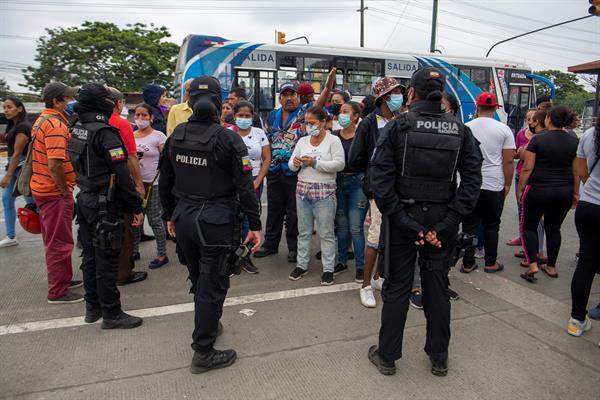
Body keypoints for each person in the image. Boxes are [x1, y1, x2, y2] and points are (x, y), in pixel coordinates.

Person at [367, 67, 482, 377]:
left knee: (398, 288)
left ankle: (388, 356)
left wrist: (406, 222)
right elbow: (473, 183)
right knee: (437, 288)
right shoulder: (461, 131)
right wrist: (447, 222)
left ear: (411, 94)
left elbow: (379, 180)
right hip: (441, 223)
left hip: (405, 222)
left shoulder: (397, 126)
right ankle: (439, 357)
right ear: (442, 93)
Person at [159, 76, 262, 374]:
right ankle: (203, 351)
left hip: (185, 220)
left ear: (189, 102)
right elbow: (245, 187)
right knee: (212, 285)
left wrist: (169, 216)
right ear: (219, 104)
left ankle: (209, 322)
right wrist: (255, 225)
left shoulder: (176, 134)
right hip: (215, 223)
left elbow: (165, 180)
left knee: (199, 279)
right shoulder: (228, 138)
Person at [70, 83, 145, 328]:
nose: (111, 102)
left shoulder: (78, 126)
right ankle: (112, 314)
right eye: (106, 98)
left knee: (89, 256)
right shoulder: (105, 132)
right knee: (106, 260)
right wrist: (136, 206)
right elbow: (122, 175)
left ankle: (93, 308)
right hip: (104, 203)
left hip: (85, 198)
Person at [254, 70, 336, 262]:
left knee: (293, 212)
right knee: (274, 209)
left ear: (298, 97)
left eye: (293, 95)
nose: (289, 98)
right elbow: (267, 141)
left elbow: (321, 102)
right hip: (274, 170)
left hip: (294, 170)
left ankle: (293, 248)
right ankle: (270, 244)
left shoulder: (304, 113)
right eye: (285, 95)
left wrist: (328, 85)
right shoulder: (272, 115)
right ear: (280, 98)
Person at [348, 76, 404, 308]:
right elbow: (355, 156)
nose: (399, 97)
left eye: (400, 92)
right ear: (383, 97)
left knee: (389, 235)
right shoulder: (369, 123)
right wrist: (371, 175)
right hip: (379, 189)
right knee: (375, 235)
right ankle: (365, 285)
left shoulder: (401, 120)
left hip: (398, 187)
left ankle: (378, 277)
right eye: (395, 93)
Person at [31, 82, 82, 304]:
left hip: (43, 188)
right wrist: (64, 191)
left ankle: (62, 278)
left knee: (55, 239)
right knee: (59, 242)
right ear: (56, 101)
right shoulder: (55, 125)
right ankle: (58, 290)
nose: (70, 103)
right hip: (53, 192)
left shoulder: (43, 119)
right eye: (67, 99)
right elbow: (55, 165)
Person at [517, 106, 579, 283]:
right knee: (554, 228)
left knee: (529, 226)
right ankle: (551, 266)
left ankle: (533, 264)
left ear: (548, 119)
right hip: (564, 191)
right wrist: (575, 193)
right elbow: (576, 171)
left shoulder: (538, 140)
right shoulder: (573, 141)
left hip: (538, 189)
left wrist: (521, 189)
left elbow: (527, 168)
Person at [288, 106, 345, 285]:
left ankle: (328, 269)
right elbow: (291, 164)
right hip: (303, 191)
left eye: (312, 123)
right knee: (303, 231)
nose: (308, 126)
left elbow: (339, 164)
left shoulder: (333, 141)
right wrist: (296, 163)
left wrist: (315, 163)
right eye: (306, 123)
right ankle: (301, 265)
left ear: (322, 123)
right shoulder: (302, 141)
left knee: (326, 232)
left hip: (325, 192)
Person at [461, 92, 515, 274]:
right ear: (495, 108)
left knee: (469, 225)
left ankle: (468, 263)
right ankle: (491, 263)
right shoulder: (504, 129)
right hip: (494, 183)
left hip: (470, 184)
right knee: (492, 224)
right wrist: (507, 184)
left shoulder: (465, 127)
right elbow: (508, 161)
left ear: (477, 107)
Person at [106, 87, 148, 286]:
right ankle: (124, 273)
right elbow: (131, 157)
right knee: (125, 231)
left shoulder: (86, 123)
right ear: (118, 103)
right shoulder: (121, 124)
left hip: (97, 188)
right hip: (120, 185)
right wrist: (138, 185)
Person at [229, 100, 271, 273]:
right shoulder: (227, 133)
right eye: (240, 115)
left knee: (249, 218)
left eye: (247, 116)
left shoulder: (259, 133)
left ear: (252, 116)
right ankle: (230, 257)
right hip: (231, 181)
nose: (244, 119)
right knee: (231, 218)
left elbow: (266, 158)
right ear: (234, 116)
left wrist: (258, 180)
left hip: (253, 179)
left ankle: (245, 257)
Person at [568, 114, 600, 337]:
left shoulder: (589, 135)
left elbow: (581, 170)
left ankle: (576, 319)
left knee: (586, 264)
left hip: (589, 206)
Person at [331, 101, 368, 283]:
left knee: (356, 227)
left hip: (358, 183)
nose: (342, 114)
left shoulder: (363, 136)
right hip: (338, 182)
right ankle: (343, 261)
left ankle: (361, 267)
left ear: (355, 116)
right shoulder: (334, 136)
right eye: (341, 111)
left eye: (346, 111)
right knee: (342, 226)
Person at [133, 104, 168, 269]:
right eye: (137, 115)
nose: (140, 118)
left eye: (144, 115)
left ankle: (162, 254)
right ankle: (133, 251)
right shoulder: (131, 135)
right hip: (135, 184)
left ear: (151, 117)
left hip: (153, 184)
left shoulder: (158, 136)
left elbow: (167, 159)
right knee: (135, 219)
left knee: (154, 219)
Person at [512, 110, 547, 266]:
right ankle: (527, 247)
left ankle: (535, 254)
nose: (528, 123)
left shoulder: (542, 138)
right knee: (522, 215)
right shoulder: (521, 134)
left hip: (532, 180)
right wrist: (518, 153)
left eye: (531, 120)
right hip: (522, 174)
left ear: (538, 121)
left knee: (534, 219)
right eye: (527, 119)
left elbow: (529, 164)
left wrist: (520, 189)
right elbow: (516, 155)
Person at [0, 97, 35, 247]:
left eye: (9, 107)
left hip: (21, 169)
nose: (6, 110)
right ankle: (10, 235)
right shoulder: (12, 126)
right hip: (13, 165)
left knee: (32, 203)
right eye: (4, 108)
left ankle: (46, 229)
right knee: (7, 199)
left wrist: (7, 176)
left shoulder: (23, 127)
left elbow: (17, 153)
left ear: (20, 109)